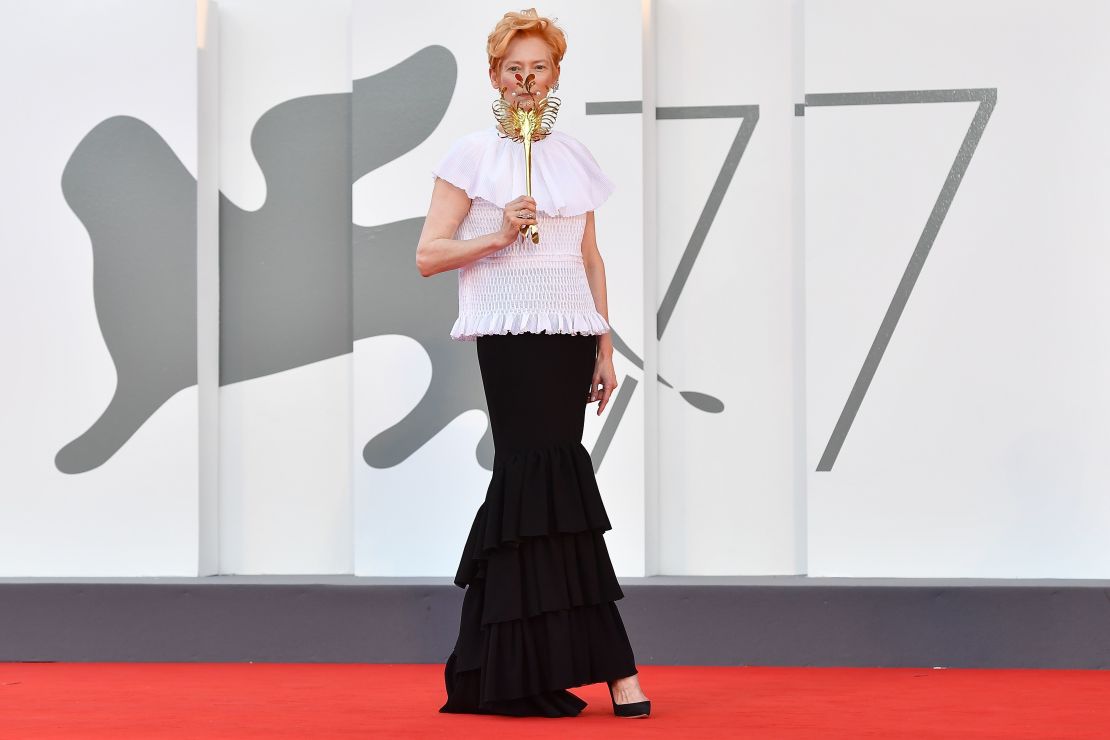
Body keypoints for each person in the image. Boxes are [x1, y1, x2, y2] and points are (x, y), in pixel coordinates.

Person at [415, 7, 651, 720]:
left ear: (554, 76)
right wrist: (494, 235)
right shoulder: (469, 157)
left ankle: (521, 662)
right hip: (510, 336)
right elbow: (429, 256)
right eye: (513, 68)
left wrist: (605, 343)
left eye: (538, 68)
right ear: (495, 76)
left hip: (570, 333)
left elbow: (588, 256)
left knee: (555, 492)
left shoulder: (573, 157)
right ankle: (613, 671)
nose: (525, 79)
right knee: (535, 483)